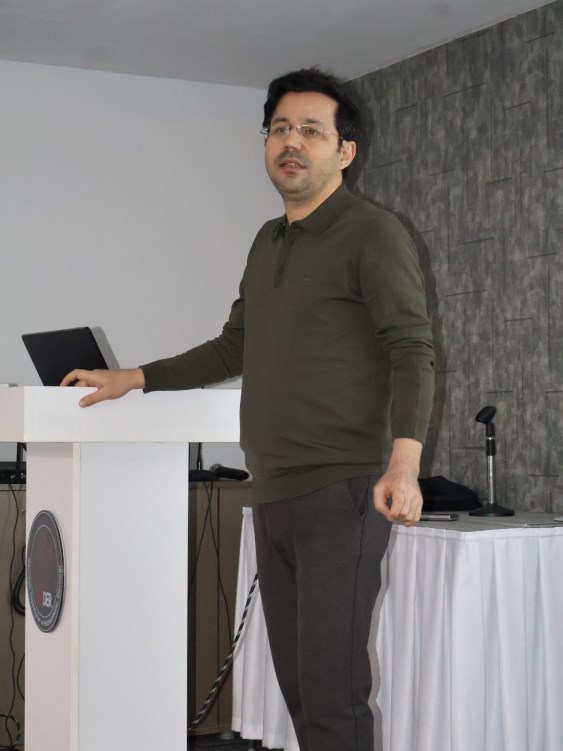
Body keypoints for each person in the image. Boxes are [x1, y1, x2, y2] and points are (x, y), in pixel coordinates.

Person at [62, 67, 434, 751]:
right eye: (279, 129)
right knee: (300, 688)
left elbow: (412, 350)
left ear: (345, 152)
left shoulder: (372, 233)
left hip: (342, 487)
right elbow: (234, 345)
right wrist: (133, 378)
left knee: (331, 692)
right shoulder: (268, 240)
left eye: (311, 131)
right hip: (274, 489)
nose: (291, 142)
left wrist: (404, 464)